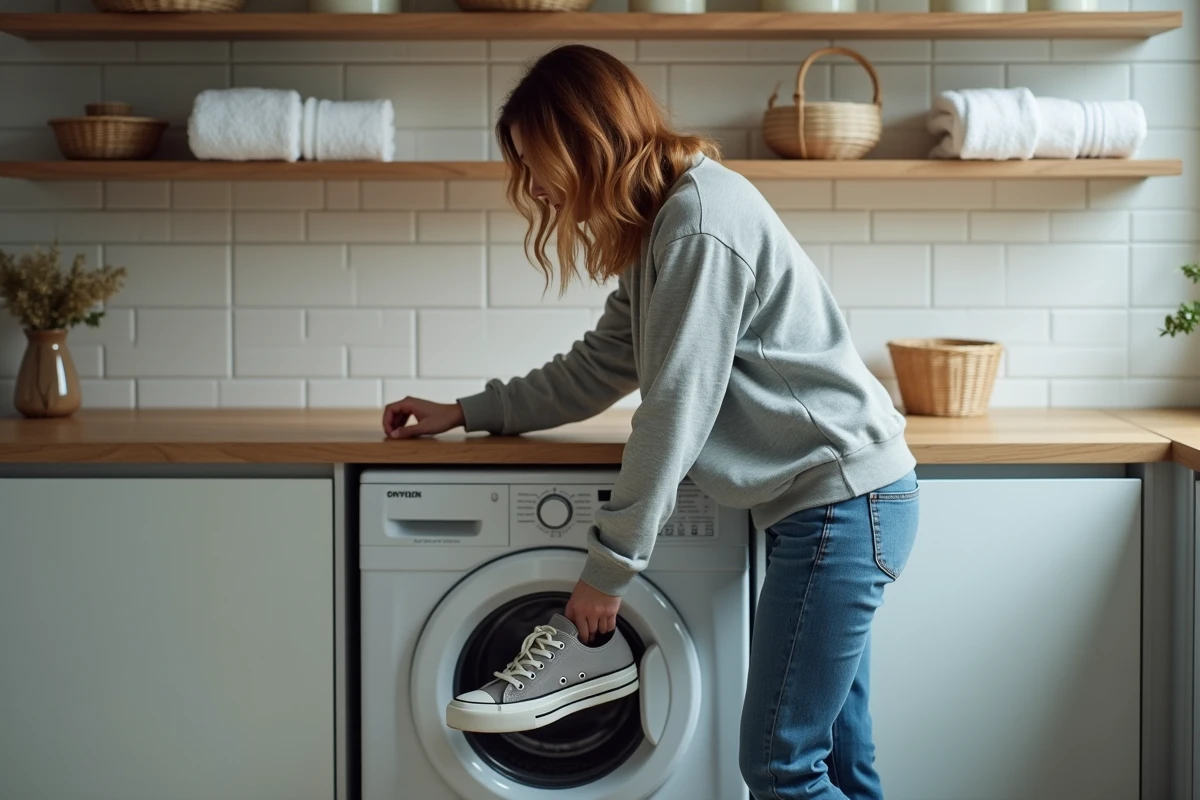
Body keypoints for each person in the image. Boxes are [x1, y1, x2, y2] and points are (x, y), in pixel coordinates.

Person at [381, 43, 920, 800]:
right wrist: (469, 412)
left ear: (586, 139)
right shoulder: (664, 222)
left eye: (538, 162)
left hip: (840, 506)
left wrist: (608, 572)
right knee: (834, 762)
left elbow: (674, 411)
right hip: (838, 506)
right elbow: (598, 365)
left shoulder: (697, 223)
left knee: (781, 766)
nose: (533, 186)